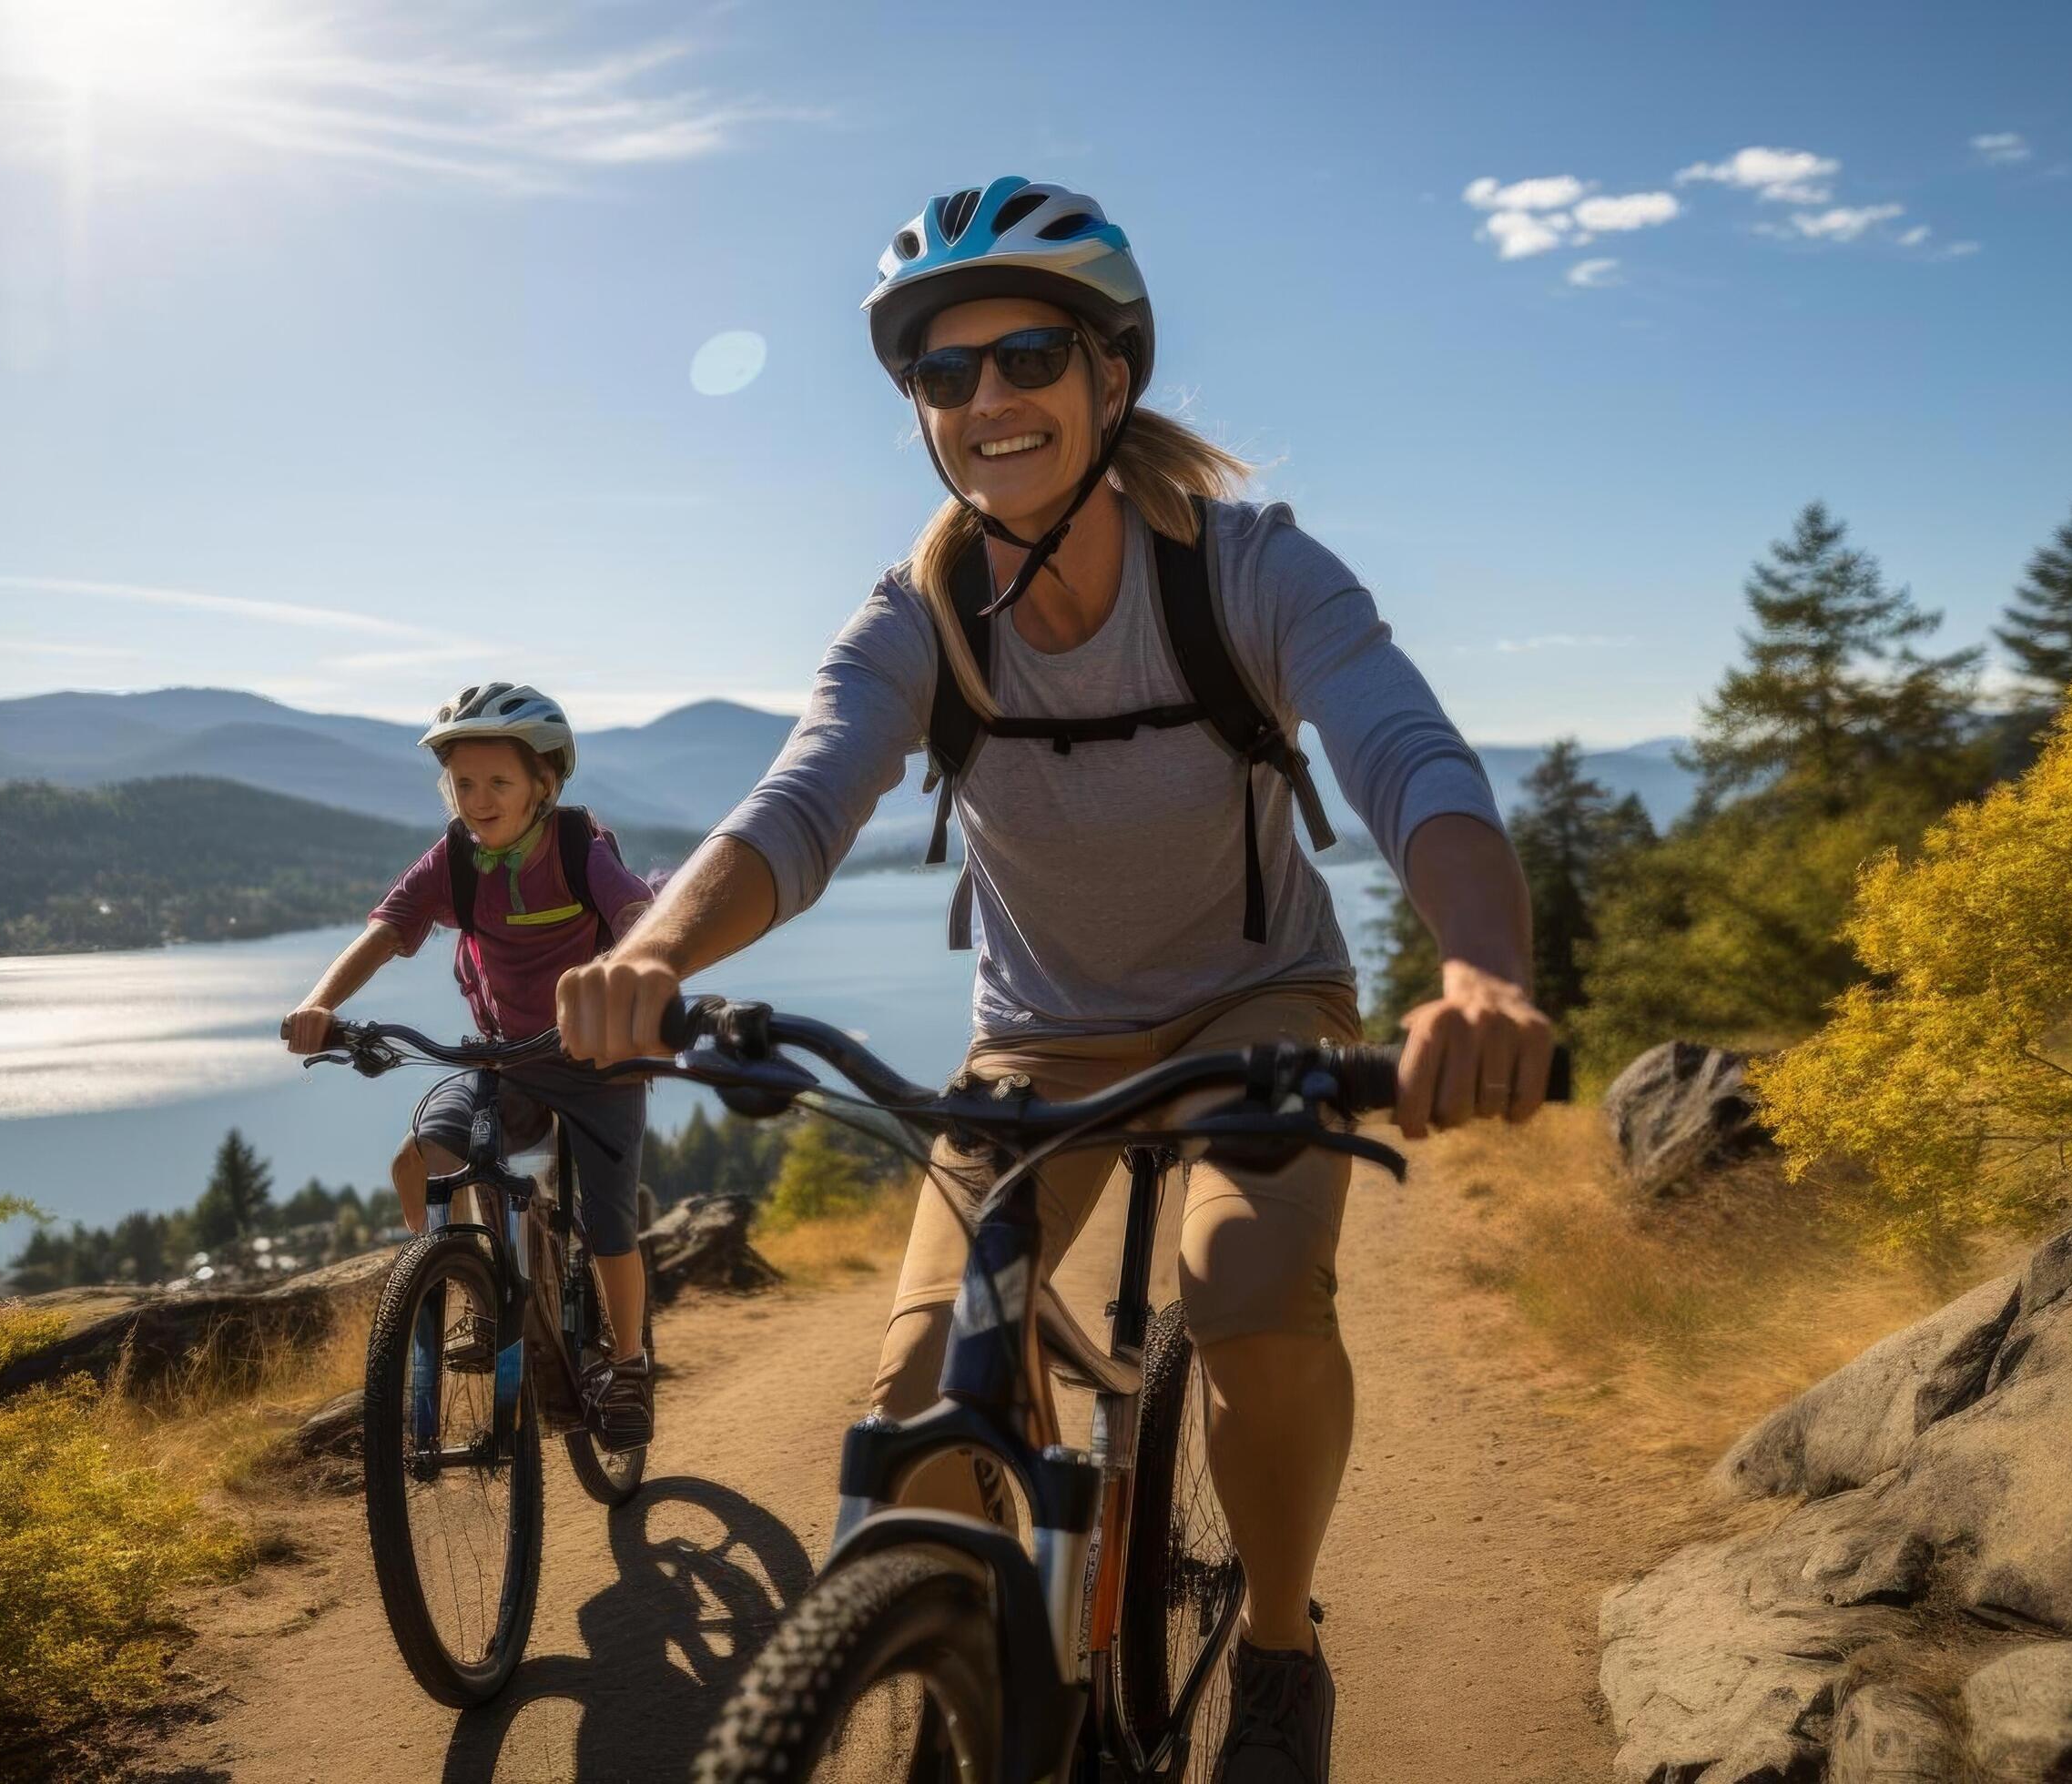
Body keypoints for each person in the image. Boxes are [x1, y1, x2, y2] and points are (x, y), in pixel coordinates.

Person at [557, 179, 1556, 1779]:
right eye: (941, 377)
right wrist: (651, 950)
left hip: (1259, 1014)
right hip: (1035, 1043)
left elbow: (1407, 756)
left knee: (1246, 1296)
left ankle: (1284, 1655)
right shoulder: (920, 615)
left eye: (1025, 354)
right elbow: (800, 800)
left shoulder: (1246, 570)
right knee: (914, 1411)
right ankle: (970, 1684)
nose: (985, 401)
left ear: (1113, 374)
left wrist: (1484, 973)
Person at [282, 682, 662, 1445]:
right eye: (462, 784)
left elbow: (634, 915)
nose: (478, 800)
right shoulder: (453, 858)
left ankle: (627, 1367)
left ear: (542, 785)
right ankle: (473, 1292)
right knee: (416, 1161)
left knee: (611, 1227)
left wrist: (638, 971)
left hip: (599, 1061)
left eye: (498, 783)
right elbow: (388, 932)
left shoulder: (579, 846)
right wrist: (319, 1002)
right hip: (508, 1062)